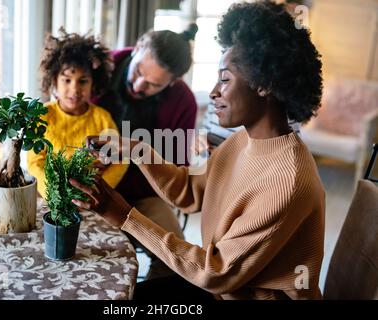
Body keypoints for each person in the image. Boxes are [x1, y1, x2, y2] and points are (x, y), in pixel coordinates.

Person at [71, 0, 325, 300]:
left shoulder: (287, 181)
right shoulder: (242, 141)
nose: (215, 92)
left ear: (264, 84)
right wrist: (136, 149)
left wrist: (124, 215)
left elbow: (214, 272)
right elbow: (190, 192)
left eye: (225, 79)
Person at [92, 25, 199, 279]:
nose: (138, 86)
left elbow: (176, 171)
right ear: (137, 47)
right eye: (138, 71)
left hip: (143, 198)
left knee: (176, 262)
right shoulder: (101, 67)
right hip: (93, 183)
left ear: (173, 82)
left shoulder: (184, 103)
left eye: (153, 84)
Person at [27, 29, 127, 200]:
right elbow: (35, 162)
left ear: (93, 83)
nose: (74, 89)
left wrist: (96, 191)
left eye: (83, 81)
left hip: (92, 199)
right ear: (54, 82)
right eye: (66, 80)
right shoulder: (43, 115)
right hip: (51, 198)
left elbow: (120, 161)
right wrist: (54, 192)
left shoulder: (102, 119)